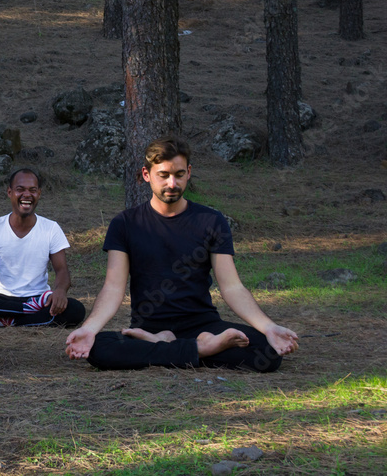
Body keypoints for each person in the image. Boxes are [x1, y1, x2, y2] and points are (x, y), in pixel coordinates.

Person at [65, 137, 298, 372]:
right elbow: (114, 288)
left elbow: (232, 287)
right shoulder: (125, 224)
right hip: (149, 327)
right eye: (163, 175)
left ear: (189, 173)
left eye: (178, 174)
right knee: (99, 348)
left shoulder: (211, 221)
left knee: (267, 353)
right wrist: (89, 329)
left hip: (204, 324)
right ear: (146, 174)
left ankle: (170, 347)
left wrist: (269, 327)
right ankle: (200, 348)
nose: (172, 183)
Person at [0, 167, 85, 328]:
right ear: (10, 192)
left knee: (76, 310)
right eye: (20, 189)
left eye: (32, 190)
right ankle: (28, 317)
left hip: (39, 299)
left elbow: (62, 270)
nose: (27, 195)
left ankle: (1, 319)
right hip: (2, 299)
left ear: (39, 194)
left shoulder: (51, 228)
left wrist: (60, 291)